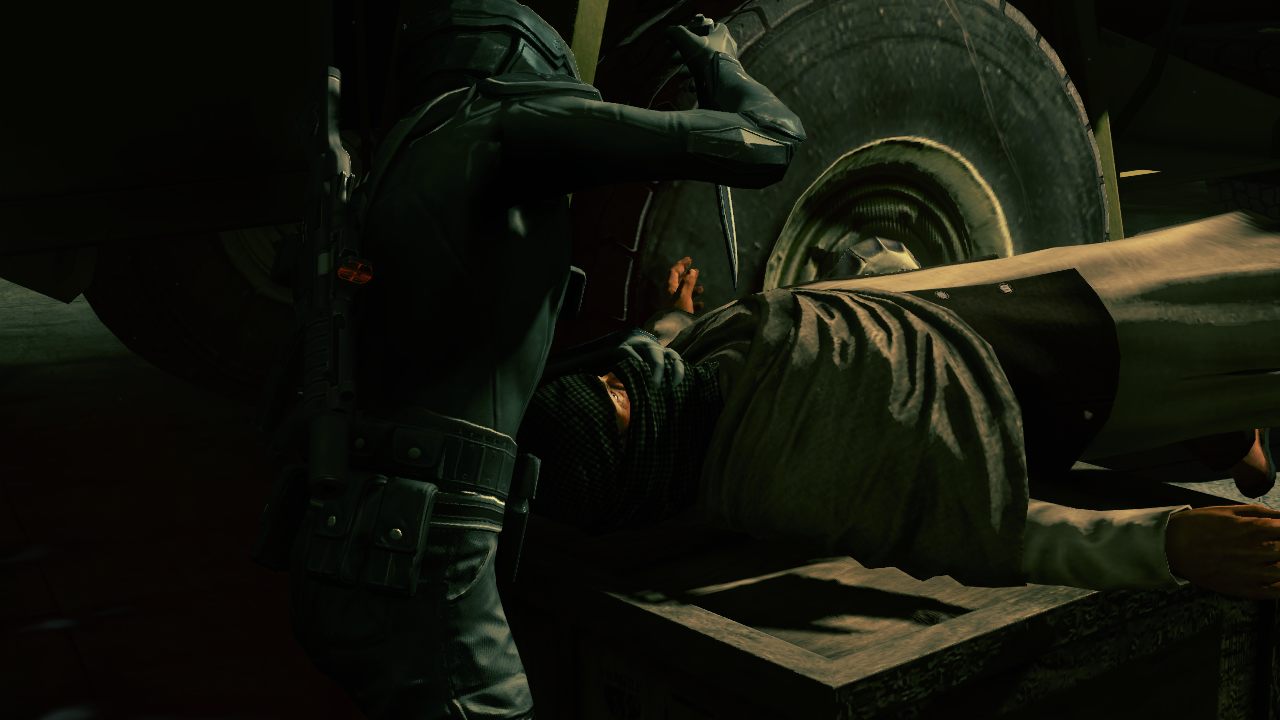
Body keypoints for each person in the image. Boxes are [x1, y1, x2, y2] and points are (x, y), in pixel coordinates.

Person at [278, 3, 806, 719]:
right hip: (425, 544)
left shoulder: (400, 158)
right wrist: (721, 63)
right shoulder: (508, 122)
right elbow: (769, 141)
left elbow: (480, 355)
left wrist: (665, 326)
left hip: (346, 530)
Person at [519, 211, 1280, 600]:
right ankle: (1220, 431)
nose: (629, 374)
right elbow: (986, 532)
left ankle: (1218, 433)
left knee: (1180, 274)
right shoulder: (781, 475)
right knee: (1225, 326)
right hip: (1044, 377)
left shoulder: (684, 380)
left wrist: (671, 317)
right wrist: (1170, 545)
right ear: (643, 458)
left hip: (984, 299)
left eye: (608, 379)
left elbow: (659, 353)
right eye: (618, 397)